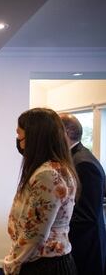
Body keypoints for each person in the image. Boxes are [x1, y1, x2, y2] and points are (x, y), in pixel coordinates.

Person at [4, 108, 78, 275]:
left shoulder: (47, 174)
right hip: (46, 260)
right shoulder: (54, 167)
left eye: (19, 134)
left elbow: (35, 233)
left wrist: (12, 263)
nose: (18, 140)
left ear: (34, 137)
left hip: (44, 264)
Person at [60, 113, 106, 275]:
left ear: (65, 132)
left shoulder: (84, 163)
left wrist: (54, 226)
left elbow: (87, 216)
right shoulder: (74, 157)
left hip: (85, 246)